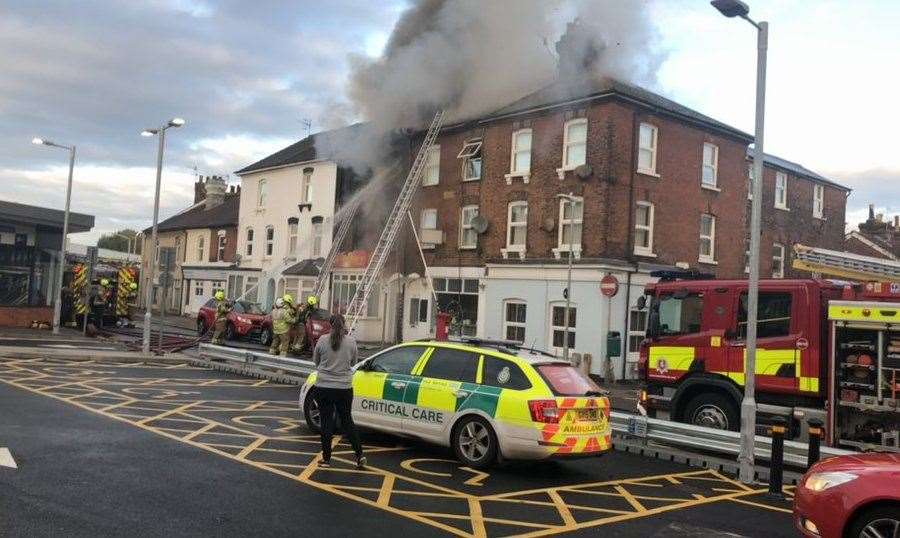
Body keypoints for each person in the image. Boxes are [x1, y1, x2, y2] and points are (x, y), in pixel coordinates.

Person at [312, 313, 365, 468]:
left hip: (324, 387)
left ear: (330, 324)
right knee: (347, 421)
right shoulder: (351, 342)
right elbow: (353, 362)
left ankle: (327, 459)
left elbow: (316, 362)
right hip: (344, 388)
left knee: (326, 422)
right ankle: (359, 455)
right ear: (344, 325)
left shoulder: (322, 340)